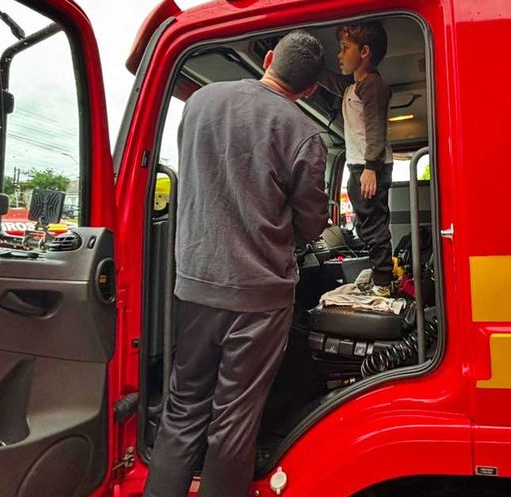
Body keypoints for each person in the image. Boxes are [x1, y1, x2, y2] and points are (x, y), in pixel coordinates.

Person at [143, 31, 329, 497]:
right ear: (309, 89)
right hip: (261, 298)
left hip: (196, 283)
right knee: (234, 421)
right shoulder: (304, 133)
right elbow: (311, 224)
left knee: (183, 409)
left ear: (268, 59)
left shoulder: (200, 103)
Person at [319, 21, 394, 297]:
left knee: (373, 225)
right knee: (365, 224)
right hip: (359, 165)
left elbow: (376, 128)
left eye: (344, 48)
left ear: (364, 52)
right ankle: (379, 275)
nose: (339, 55)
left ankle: (383, 284)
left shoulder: (373, 85)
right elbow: (331, 81)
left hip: (370, 166)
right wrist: (312, 67)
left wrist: (371, 168)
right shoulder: (354, 86)